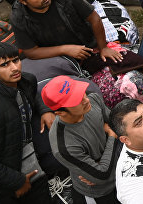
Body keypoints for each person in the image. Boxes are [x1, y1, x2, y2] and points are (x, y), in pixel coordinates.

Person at [0, 43, 53, 204]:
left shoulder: (26, 80)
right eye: (5, 64)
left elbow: (34, 94)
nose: (14, 68)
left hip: (30, 159)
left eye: (16, 60)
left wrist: (45, 109)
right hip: (3, 180)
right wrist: (17, 181)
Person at [9, 0, 125, 78]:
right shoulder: (18, 17)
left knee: (122, 65)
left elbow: (94, 18)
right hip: (53, 58)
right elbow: (31, 52)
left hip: (86, 47)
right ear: (23, 1)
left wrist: (103, 47)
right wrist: (65, 50)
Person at [43, 76, 121, 204]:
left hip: (122, 172)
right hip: (101, 192)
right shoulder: (64, 145)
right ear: (60, 113)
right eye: (76, 100)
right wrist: (112, 137)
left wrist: (101, 167)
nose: (85, 100)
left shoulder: (93, 100)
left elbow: (119, 127)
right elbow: (102, 175)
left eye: (81, 92)